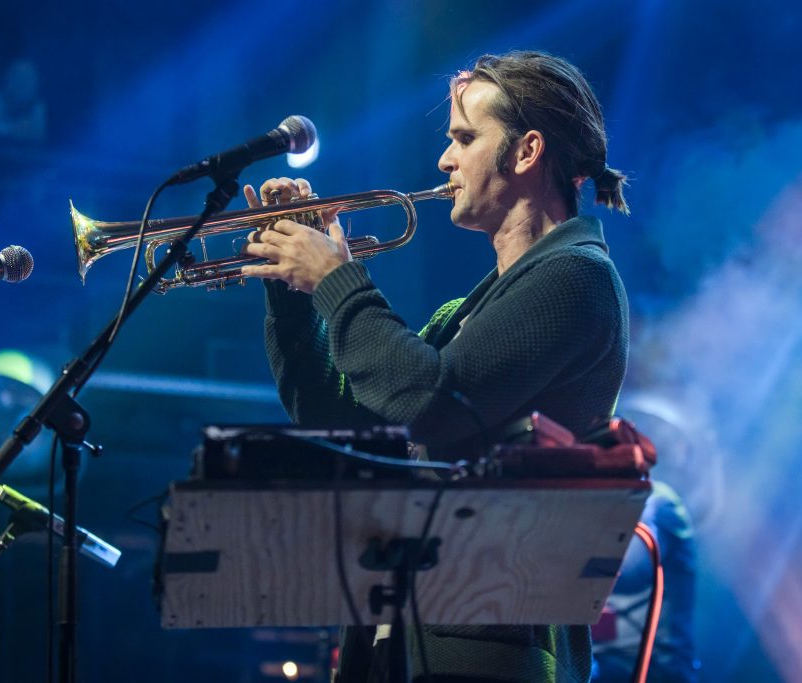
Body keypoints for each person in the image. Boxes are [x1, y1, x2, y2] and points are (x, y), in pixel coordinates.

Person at [240, 50, 631, 682]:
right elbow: (343, 420)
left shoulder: (577, 277)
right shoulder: (468, 311)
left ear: (527, 152)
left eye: (465, 138)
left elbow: (432, 402)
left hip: (487, 649)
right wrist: (293, 293)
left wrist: (338, 279)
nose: (445, 160)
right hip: (402, 633)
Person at [592, 481, 699, 682]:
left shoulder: (659, 503)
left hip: (655, 669)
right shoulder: (584, 506)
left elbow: (630, 569)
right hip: (599, 662)